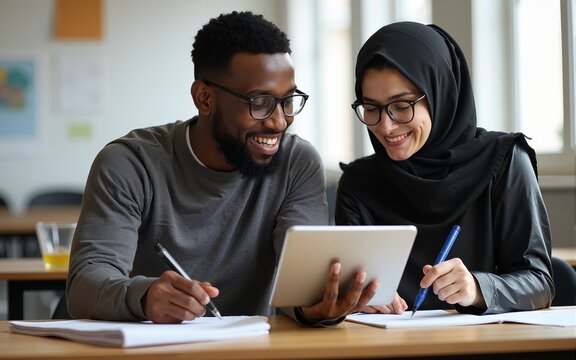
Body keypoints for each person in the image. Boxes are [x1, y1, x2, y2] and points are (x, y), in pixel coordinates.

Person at [66, 11, 389, 326]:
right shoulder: (130, 163)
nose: (279, 121)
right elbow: (85, 285)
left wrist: (320, 306)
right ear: (204, 99)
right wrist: (144, 296)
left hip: (251, 348)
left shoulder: (297, 163)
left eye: (288, 100)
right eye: (259, 102)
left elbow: (301, 287)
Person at [336, 21, 554, 314]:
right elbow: (347, 288)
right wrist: (357, 297)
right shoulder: (358, 183)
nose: (385, 126)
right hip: (387, 349)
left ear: (442, 94)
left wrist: (479, 288)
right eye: (371, 108)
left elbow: (539, 282)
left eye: (401, 106)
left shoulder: (504, 161)